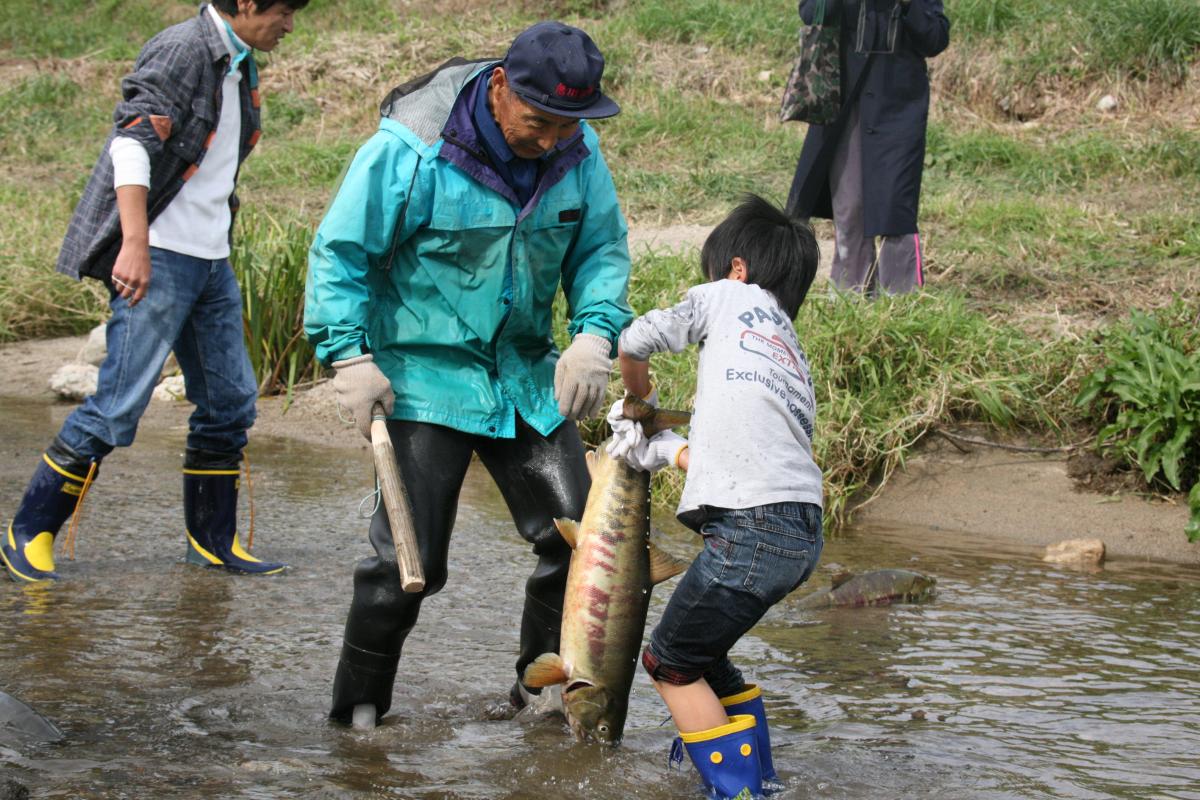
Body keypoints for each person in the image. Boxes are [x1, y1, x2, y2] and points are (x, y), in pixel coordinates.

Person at [304, 21, 633, 726]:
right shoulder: (410, 150)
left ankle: (539, 693)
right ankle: (356, 722)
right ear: (498, 88)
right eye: (539, 122)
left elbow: (600, 247)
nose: (551, 141)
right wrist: (350, 356)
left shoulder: (576, 151)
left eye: (568, 126)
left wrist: (593, 334)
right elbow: (339, 252)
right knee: (407, 567)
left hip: (522, 373)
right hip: (423, 378)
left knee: (579, 544)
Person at [2, 0, 307, 583]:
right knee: (118, 403)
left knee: (229, 405)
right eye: (284, 12)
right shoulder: (183, 49)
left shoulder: (238, 63)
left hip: (210, 258)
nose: (289, 25)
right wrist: (134, 244)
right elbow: (131, 143)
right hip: (161, 253)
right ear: (245, 3)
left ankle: (213, 542)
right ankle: (29, 532)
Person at [606, 194, 824, 799]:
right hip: (799, 533)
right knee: (702, 655)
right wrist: (662, 447)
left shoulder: (729, 295)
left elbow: (635, 338)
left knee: (668, 661)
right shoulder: (787, 357)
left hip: (752, 534)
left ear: (736, 268)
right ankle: (761, 781)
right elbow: (741, 455)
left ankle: (738, 794)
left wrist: (638, 396)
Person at [785, 0, 950, 296]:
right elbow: (810, 14)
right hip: (843, 100)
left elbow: (935, 38)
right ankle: (851, 295)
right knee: (849, 205)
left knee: (895, 205)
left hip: (897, 106)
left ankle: (901, 300)